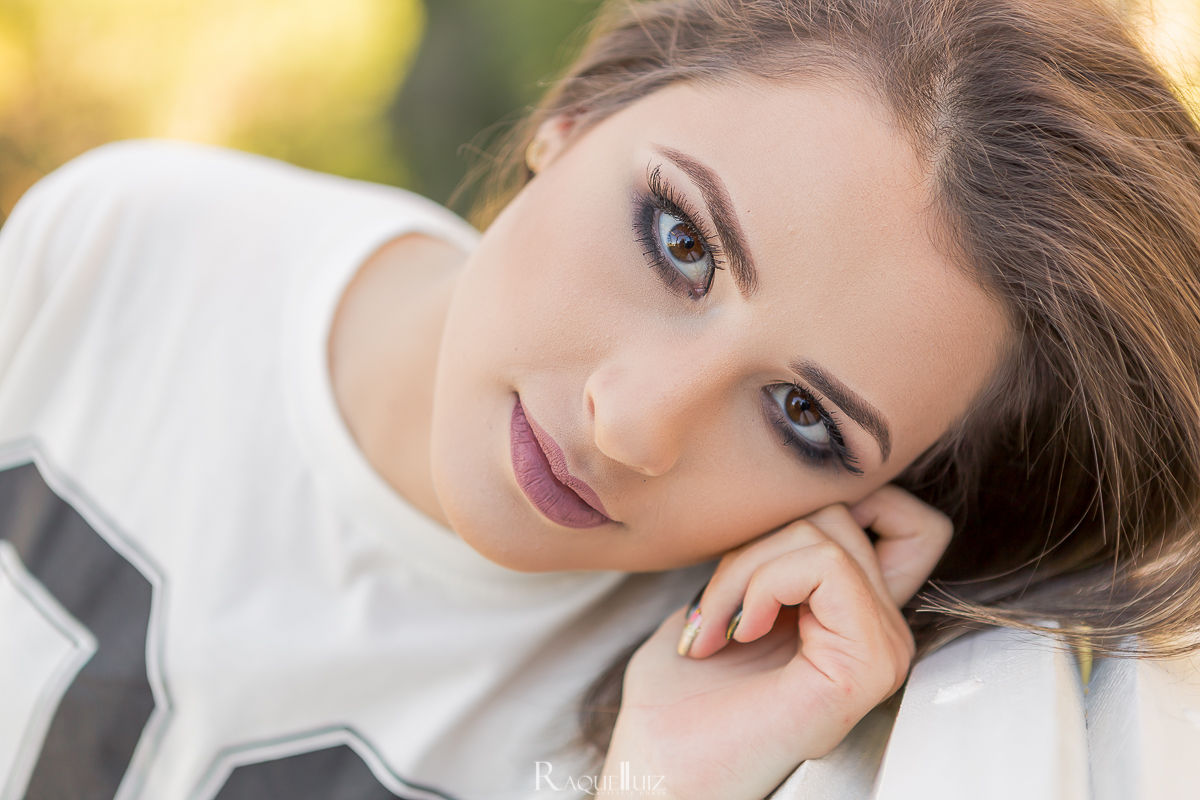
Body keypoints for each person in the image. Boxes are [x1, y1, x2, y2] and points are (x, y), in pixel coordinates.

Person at [0, 0, 1197, 799]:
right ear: (579, 113)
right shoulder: (123, 249)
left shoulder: (746, 721)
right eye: (681, 239)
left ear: (881, 499)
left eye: (803, 417)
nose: (633, 423)